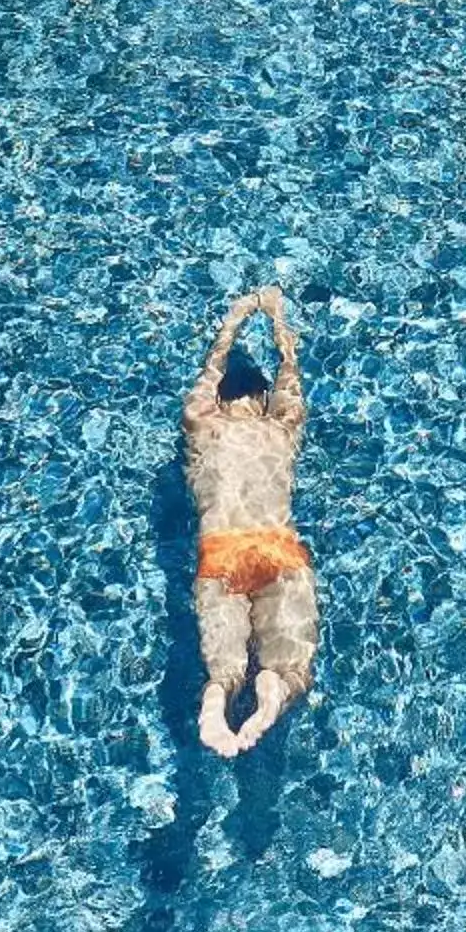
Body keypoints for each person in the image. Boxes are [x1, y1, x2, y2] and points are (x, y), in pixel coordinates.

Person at [183, 287, 318, 757]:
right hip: (278, 547)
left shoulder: (203, 424)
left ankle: (219, 694)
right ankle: (275, 690)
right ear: (262, 399)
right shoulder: (281, 426)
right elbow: (291, 377)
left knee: (225, 669)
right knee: (294, 670)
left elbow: (208, 372)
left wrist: (231, 324)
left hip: (221, 550)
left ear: (219, 397)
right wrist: (278, 324)